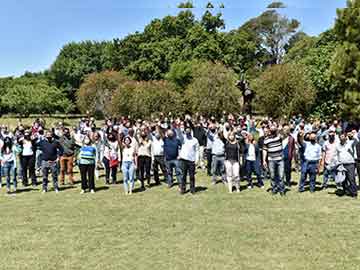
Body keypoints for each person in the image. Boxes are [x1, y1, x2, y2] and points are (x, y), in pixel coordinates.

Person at [263, 125, 286, 196]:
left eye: (274, 129)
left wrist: (280, 129)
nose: (273, 131)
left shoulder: (279, 137)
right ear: (269, 131)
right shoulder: (266, 140)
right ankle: (274, 189)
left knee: (281, 175)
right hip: (271, 160)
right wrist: (264, 160)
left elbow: (284, 134)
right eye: (271, 129)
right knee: (272, 176)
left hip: (280, 159)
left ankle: (282, 190)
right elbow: (264, 150)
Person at [179, 126, 199, 194]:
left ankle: (192, 189)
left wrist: (196, 160)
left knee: (192, 176)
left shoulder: (195, 140)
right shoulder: (183, 139)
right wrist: (177, 125)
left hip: (191, 160)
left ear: (191, 132)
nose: (188, 133)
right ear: (185, 132)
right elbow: (178, 133)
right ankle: (183, 189)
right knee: (183, 175)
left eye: (189, 131)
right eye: (186, 131)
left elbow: (197, 151)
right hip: (183, 160)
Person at [336, 132, 357, 198]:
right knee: (343, 179)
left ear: (345, 137)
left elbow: (357, 141)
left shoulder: (350, 143)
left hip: (350, 164)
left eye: (343, 136)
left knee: (351, 179)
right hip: (342, 164)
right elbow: (337, 155)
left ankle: (354, 193)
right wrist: (337, 163)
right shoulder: (337, 145)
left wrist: (353, 136)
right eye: (340, 137)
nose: (342, 138)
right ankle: (346, 191)